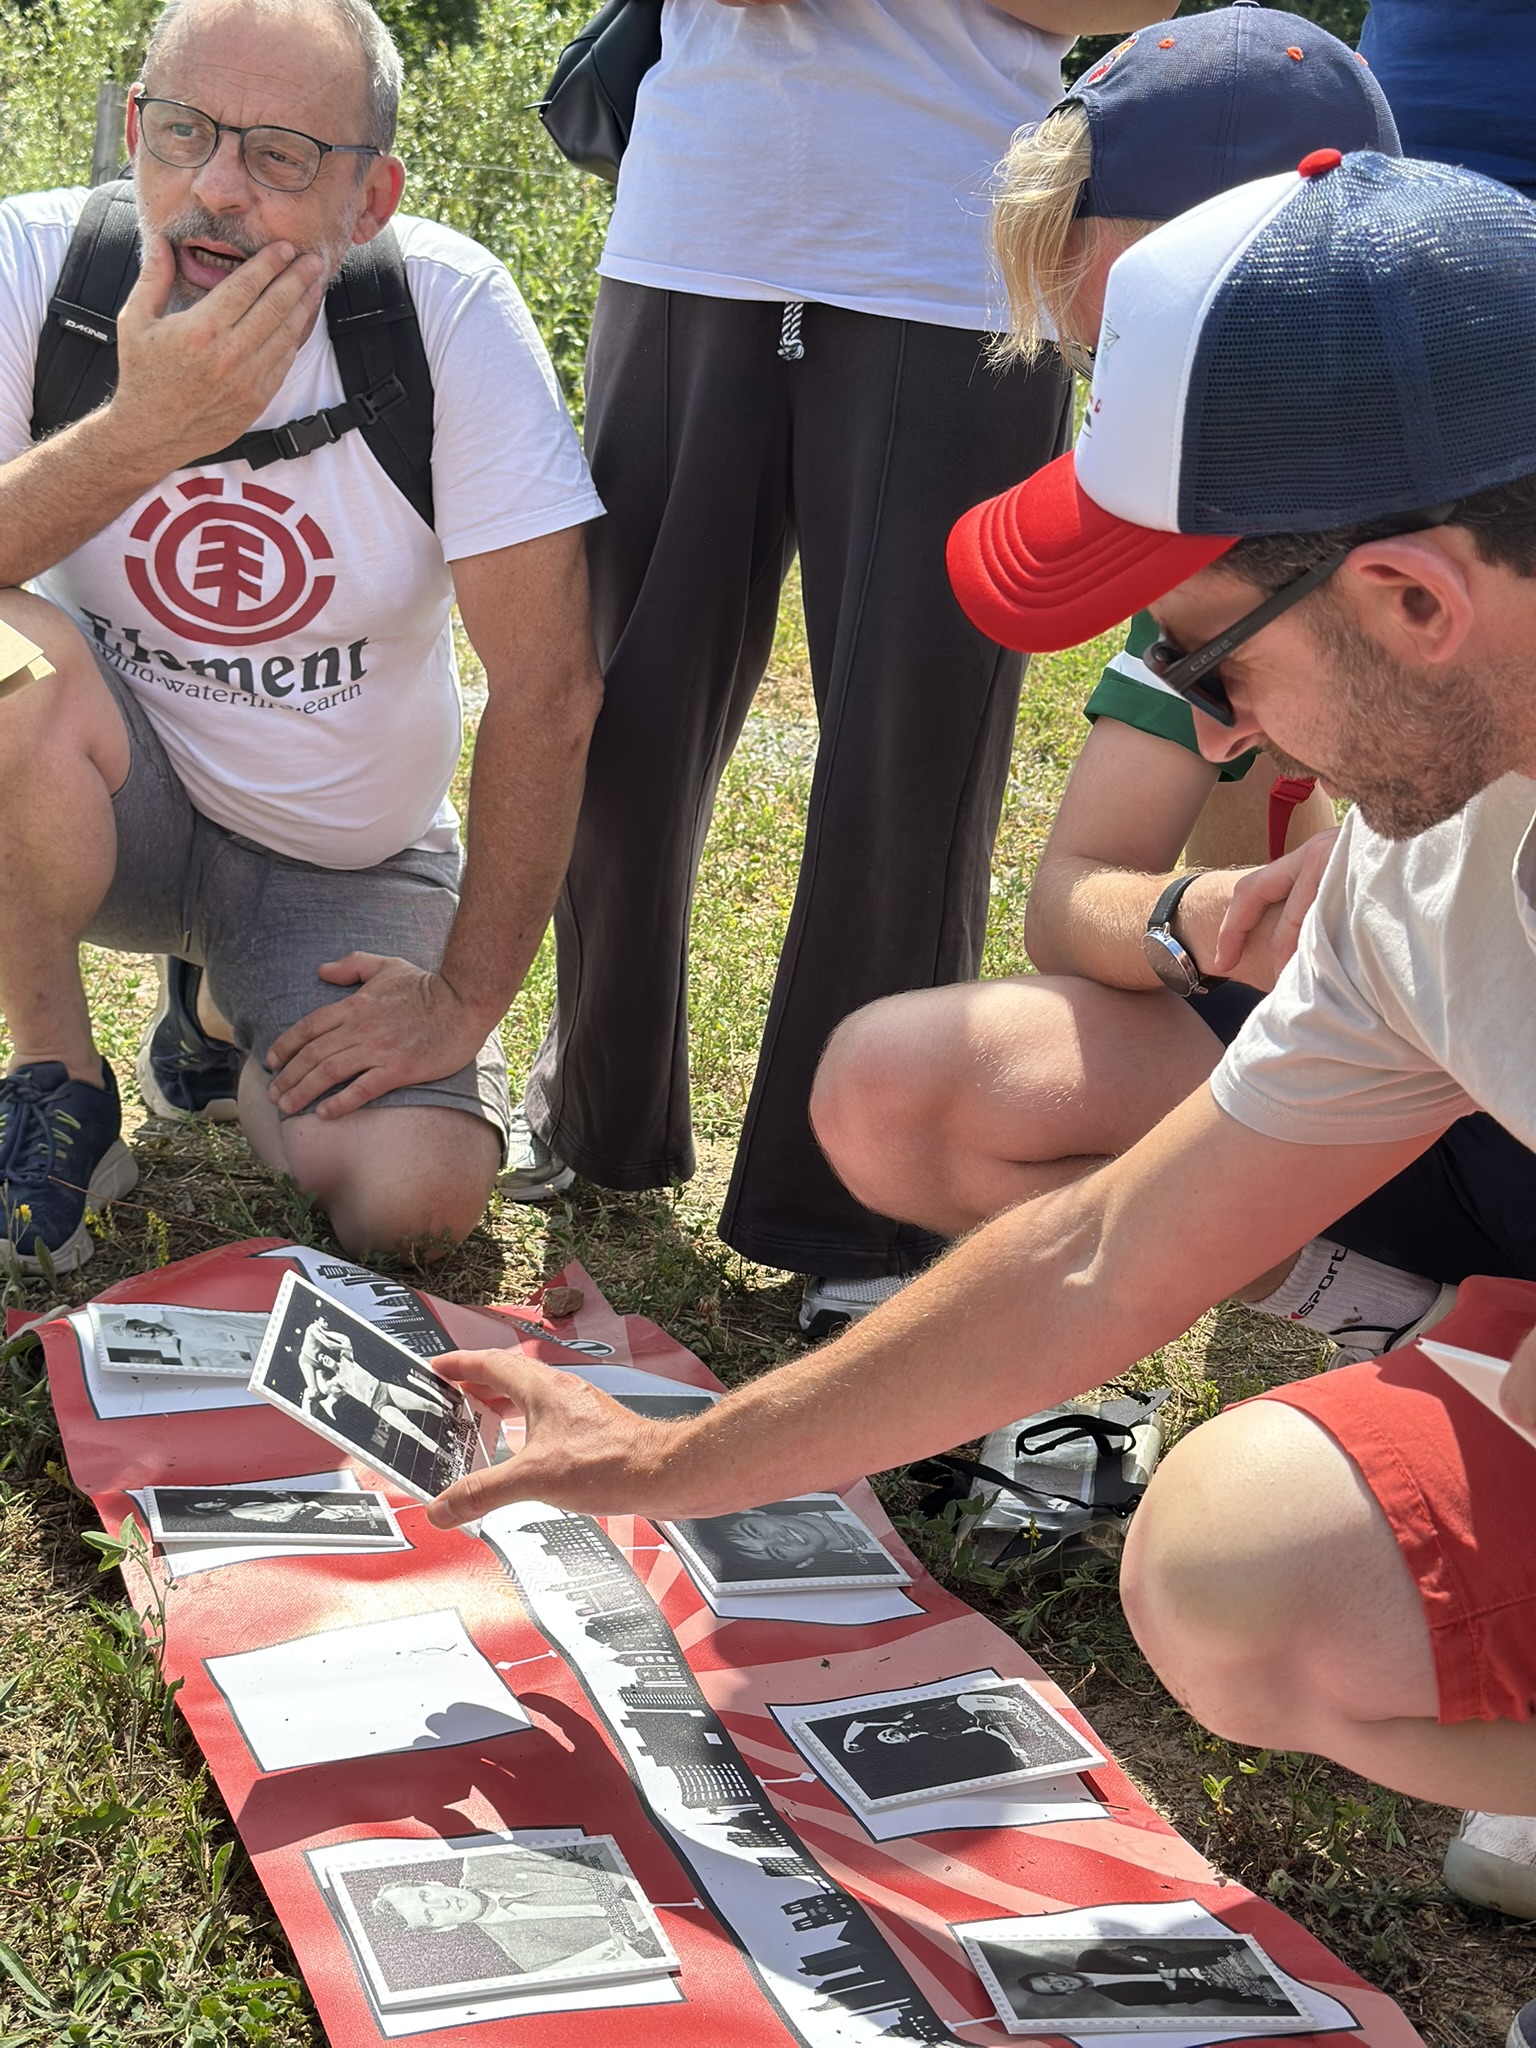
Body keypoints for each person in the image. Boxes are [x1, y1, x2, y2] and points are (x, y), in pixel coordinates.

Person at [424, 153, 1536, 1834]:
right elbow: (1098, 1256)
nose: (1216, 734)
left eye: (1207, 661)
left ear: (1411, 598)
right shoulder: (1416, 864)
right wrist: (677, 1462)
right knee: (1242, 1576)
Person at [817, 6, 1496, 1365]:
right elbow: (1069, 898)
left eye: (1142, 328)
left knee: (1241, 1549)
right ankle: (1412, 1328)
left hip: (1447, 1091)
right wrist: (1207, 912)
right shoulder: (1207, 551)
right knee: (896, 1086)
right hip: (1353, 1095)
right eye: (1095, 361)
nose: (1113, 408)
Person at [513, 0, 1175, 1337]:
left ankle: (859, 1205)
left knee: (908, 759)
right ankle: (594, 1106)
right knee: (619, 720)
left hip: (950, 256)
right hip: (695, 221)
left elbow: (1138, 11)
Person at [0, 0, 605, 1272]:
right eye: (182, 133)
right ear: (132, 129)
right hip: (105, 803)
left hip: (341, 863)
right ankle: (56, 1080)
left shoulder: (441, 312)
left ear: (371, 196)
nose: (215, 190)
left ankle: (219, 1011)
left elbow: (548, 686)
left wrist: (462, 1002)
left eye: (279, 157)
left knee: (416, 1199)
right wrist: (140, 431)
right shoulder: (33, 267)